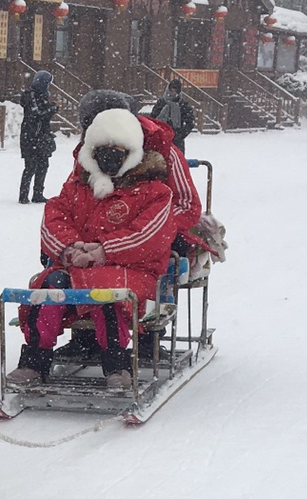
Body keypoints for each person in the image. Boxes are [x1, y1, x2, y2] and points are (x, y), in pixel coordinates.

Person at [12, 102, 183, 387]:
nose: (109, 159)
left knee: (105, 290)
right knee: (51, 284)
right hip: (75, 268)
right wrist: (71, 248)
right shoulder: (76, 188)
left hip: (133, 272)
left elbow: (147, 236)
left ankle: (117, 363)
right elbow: (54, 220)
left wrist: (104, 251)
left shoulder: (155, 193)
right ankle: (34, 360)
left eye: (117, 153)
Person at [18, 69, 58, 203]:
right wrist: (52, 109)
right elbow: (38, 114)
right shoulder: (32, 95)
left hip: (40, 136)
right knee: (31, 166)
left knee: (43, 164)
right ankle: (24, 195)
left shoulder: (40, 96)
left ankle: (37, 193)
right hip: (31, 136)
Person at [150, 75, 197, 156]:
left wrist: (180, 135)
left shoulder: (183, 105)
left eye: (176, 89)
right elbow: (152, 119)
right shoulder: (161, 103)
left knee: (176, 164)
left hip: (176, 142)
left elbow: (190, 122)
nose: (173, 91)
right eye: (172, 88)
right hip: (160, 139)